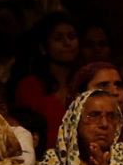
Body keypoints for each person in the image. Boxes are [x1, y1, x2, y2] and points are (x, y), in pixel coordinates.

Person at [15, 12, 80, 146]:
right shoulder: (30, 86)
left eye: (71, 36)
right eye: (58, 38)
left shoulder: (86, 82)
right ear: (43, 47)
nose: (67, 43)